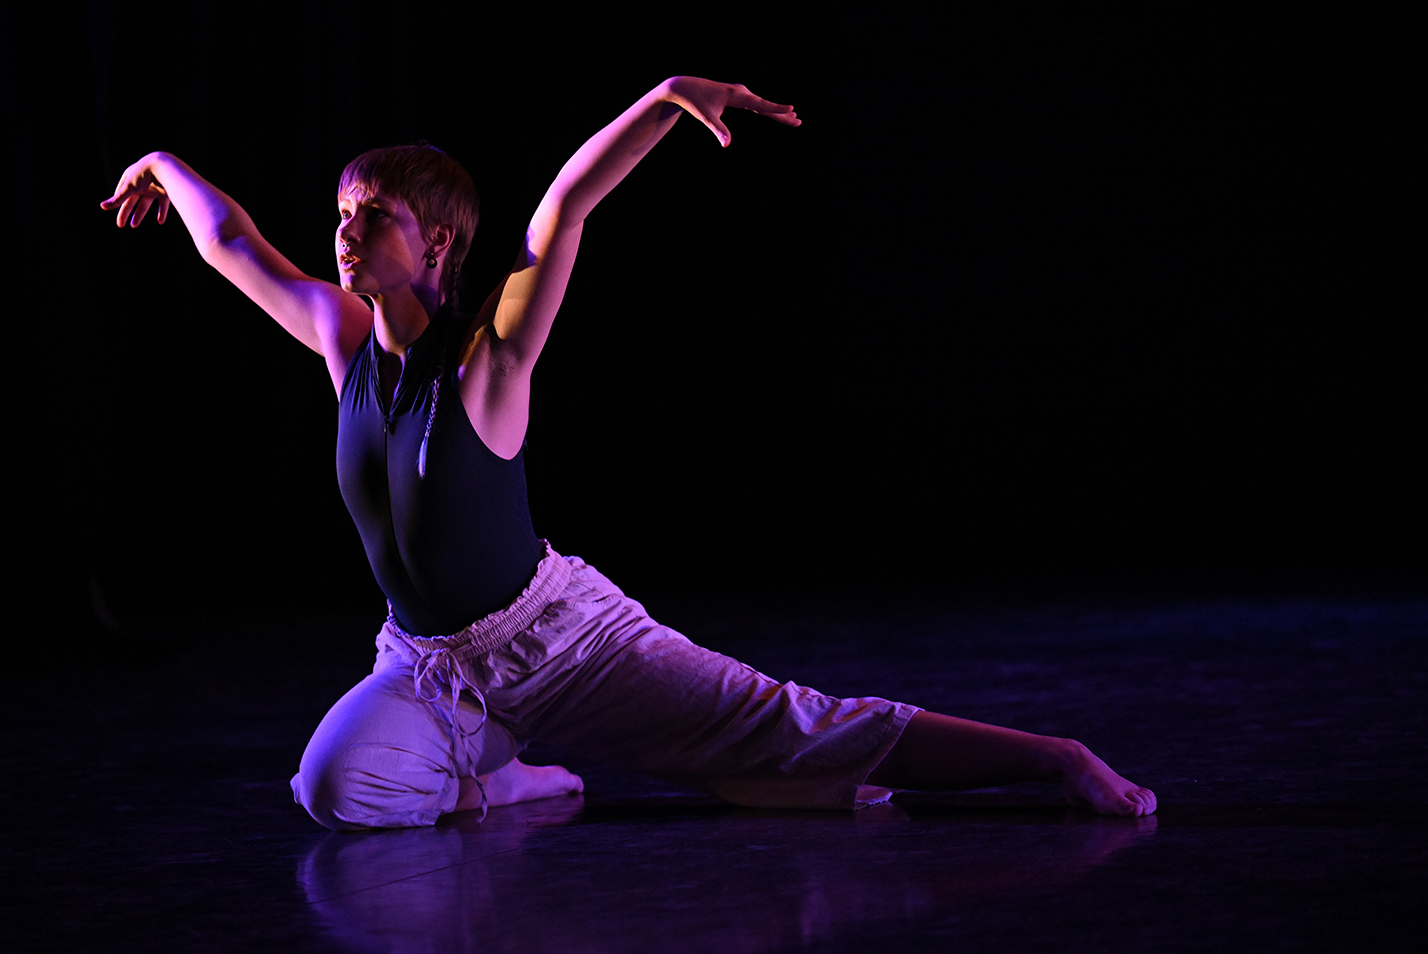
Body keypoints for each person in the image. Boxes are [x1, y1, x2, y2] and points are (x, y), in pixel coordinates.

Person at [101, 76, 1157, 830]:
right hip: (423, 665)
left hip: (560, 645)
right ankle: (502, 781)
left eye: (372, 213)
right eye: (340, 210)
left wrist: (661, 102)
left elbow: (562, 213)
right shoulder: (340, 342)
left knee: (790, 728)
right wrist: (162, 164)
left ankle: (1056, 761)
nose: (344, 228)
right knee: (334, 792)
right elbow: (231, 244)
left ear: (434, 243)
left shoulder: (489, 361)